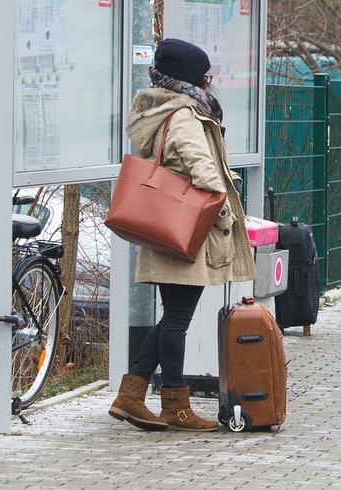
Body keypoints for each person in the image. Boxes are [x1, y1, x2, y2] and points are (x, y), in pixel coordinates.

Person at [108, 39, 255, 432]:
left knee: (170, 317)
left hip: (165, 227)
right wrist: (223, 210)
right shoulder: (185, 115)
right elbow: (201, 166)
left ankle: (133, 395)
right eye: (205, 75)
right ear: (191, 78)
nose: (210, 83)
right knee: (177, 320)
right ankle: (172, 404)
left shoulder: (160, 110)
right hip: (190, 228)